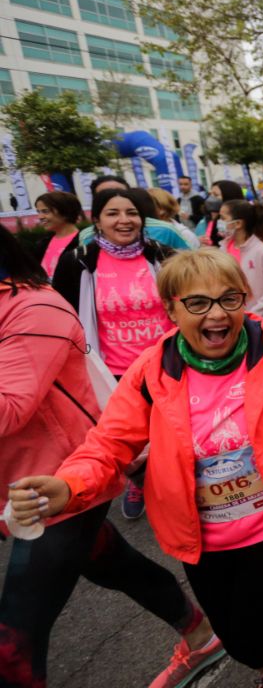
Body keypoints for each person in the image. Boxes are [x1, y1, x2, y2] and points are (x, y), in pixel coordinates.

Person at [10, 248, 263, 688]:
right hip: (198, 534)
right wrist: (69, 484)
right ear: (172, 310)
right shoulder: (151, 371)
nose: (216, 313)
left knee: (249, 631)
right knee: (234, 630)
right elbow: (110, 444)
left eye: (229, 299)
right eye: (198, 303)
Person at [0, 228, 224, 688]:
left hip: (59, 483)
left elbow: (10, 408)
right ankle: (199, 632)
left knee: (12, 643)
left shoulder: (33, 306)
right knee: (108, 560)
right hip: (21, 485)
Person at [53, 188, 177, 521]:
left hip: (167, 364)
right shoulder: (78, 262)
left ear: (142, 218)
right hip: (115, 372)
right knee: (129, 441)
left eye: (131, 213)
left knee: (172, 433)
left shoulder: (162, 255)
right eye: (112, 213)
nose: (124, 220)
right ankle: (139, 480)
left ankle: (177, 487)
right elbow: (61, 315)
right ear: (96, 220)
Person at [32, 190, 82, 279]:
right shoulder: (42, 244)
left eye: (45, 211)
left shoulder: (83, 244)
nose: (40, 217)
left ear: (65, 212)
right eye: (38, 212)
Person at [196, 181, 245, 248]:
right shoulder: (211, 220)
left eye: (216, 195)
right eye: (210, 194)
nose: (210, 198)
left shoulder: (233, 224)